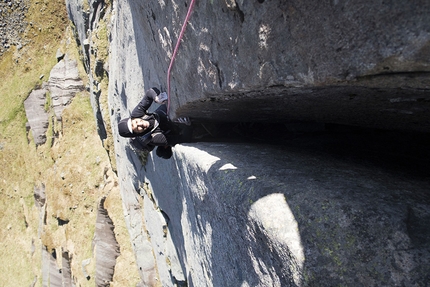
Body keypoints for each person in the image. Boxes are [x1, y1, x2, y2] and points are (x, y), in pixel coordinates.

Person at [118, 87, 191, 159]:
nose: (140, 124)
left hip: (162, 114)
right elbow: (179, 139)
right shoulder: (154, 138)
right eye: (137, 128)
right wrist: (186, 126)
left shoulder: (136, 114)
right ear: (137, 133)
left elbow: (150, 92)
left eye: (136, 122)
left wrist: (156, 98)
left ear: (134, 118)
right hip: (170, 128)